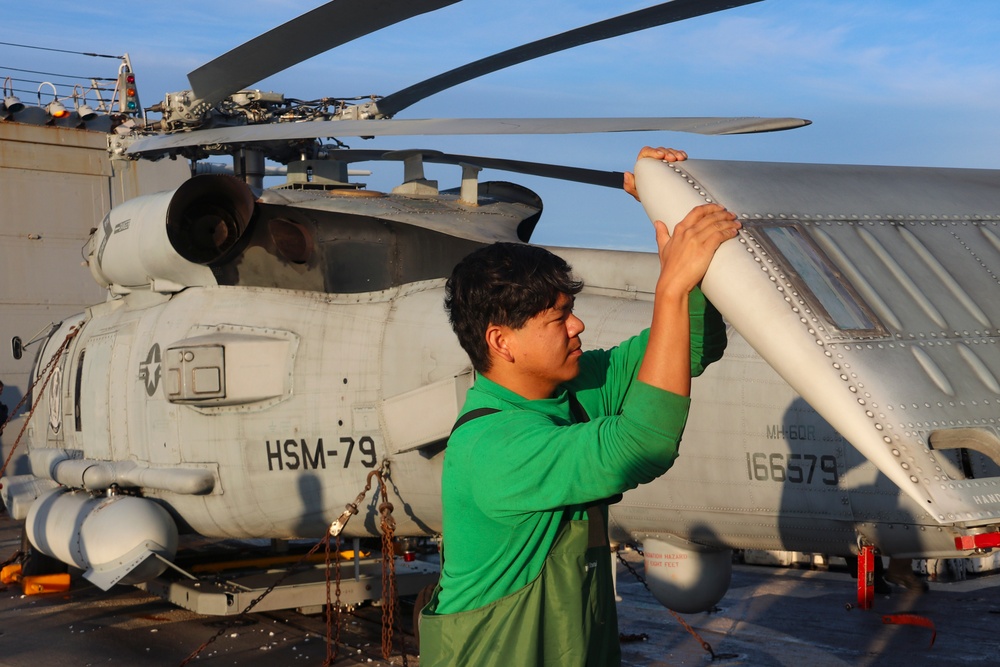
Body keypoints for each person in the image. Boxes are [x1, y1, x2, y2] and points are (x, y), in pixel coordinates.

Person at [418, 147, 740, 666]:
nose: (578, 327)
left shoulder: (571, 391)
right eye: (558, 319)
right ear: (503, 342)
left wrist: (671, 214)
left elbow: (693, 346)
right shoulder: (495, 448)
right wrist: (670, 288)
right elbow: (642, 444)